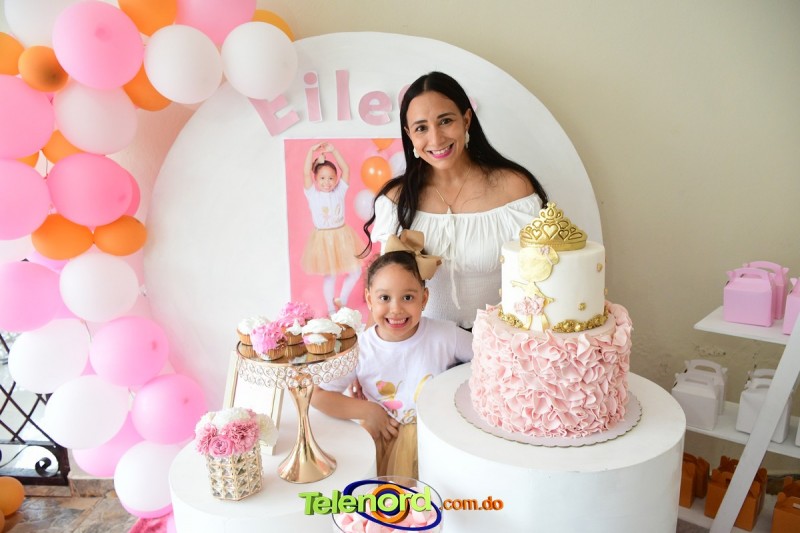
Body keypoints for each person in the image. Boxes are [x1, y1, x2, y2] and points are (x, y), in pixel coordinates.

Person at [363, 71, 549, 329]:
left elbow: (541, 279)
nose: (436, 139)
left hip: (503, 341)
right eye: (421, 128)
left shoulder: (514, 189)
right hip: (424, 345)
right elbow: (387, 287)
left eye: (445, 121)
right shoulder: (396, 201)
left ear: (466, 119)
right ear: (409, 134)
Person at [311, 241, 473, 478]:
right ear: (369, 300)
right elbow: (318, 395)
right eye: (384, 297)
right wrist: (369, 411)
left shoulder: (446, 335)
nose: (396, 309)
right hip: (387, 439)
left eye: (407, 297)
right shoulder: (361, 349)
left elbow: (488, 358)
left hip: (437, 440)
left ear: (424, 298)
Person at [300, 141, 362, 315]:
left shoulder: (339, 191)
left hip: (342, 237)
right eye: (322, 178)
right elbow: (305, 172)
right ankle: (331, 308)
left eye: (331, 178)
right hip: (323, 240)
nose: (327, 182)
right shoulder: (312, 194)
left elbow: (346, 169)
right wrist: (311, 151)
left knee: (356, 271)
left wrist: (333, 151)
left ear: (336, 179)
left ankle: (342, 300)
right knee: (330, 275)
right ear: (315, 178)